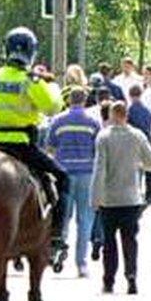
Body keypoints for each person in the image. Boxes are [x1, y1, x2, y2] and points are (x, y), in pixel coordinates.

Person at [0, 27, 68, 270]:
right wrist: (49, 84)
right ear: (31, 52)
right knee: (63, 178)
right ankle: (56, 237)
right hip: (21, 144)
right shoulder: (30, 80)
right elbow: (52, 107)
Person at [91, 102, 151, 294]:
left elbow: (99, 169)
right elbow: (150, 163)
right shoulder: (138, 136)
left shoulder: (104, 137)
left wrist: (95, 196)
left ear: (112, 114)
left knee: (109, 242)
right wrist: (137, 165)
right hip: (131, 197)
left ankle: (109, 280)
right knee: (130, 240)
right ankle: (131, 276)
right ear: (126, 115)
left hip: (109, 198)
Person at [47, 87, 100, 278]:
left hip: (64, 174)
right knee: (85, 219)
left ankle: (59, 254)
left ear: (68, 100)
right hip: (87, 173)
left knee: (64, 217)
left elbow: (50, 147)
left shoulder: (58, 121)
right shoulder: (94, 123)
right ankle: (82, 263)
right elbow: (98, 149)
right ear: (85, 100)